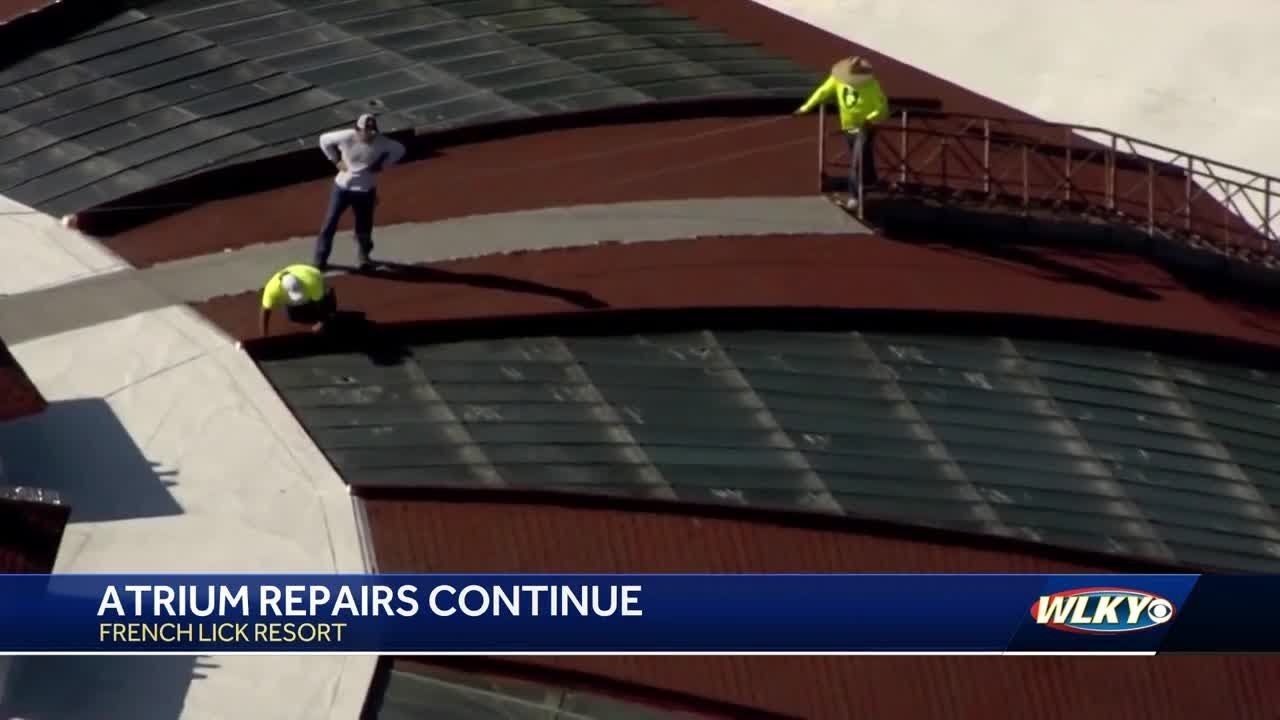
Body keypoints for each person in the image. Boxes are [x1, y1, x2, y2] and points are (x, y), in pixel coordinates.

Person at [314, 113, 406, 270]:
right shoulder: (346, 137)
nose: (370, 134)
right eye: (366, 130)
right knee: (329, 223)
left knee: (364, 226)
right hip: (342, 188)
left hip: (365, 191)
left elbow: (400, 150)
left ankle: (364, 257)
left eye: (373, 130)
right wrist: (336, 160)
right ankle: (320, 260)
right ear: (357, 129)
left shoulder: (382, 143)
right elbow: (324, 140)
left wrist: (382, 165)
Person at [795, 56, 889, 208]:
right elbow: (823, 91)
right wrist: (806, 107)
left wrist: (869, 119)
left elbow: (882, 108)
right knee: (860, 154)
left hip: (866, 126)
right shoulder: (838, 79)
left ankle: (854, 196)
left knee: (857, 160)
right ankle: (870, 180)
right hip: (848, 125)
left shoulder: (872, 85)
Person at [259, 264, 336, 337]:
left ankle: (329, 297)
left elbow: (321, 302)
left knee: (325, 303)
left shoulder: (312, 282)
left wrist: (322, 322)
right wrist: (264, 334)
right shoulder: (272, 289)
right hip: (297, 281)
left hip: (311, 273)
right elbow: (265, 309)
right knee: (293, 317)